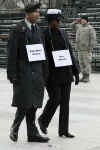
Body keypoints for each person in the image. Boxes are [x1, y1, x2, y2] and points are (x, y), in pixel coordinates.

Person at [7, 3, 49, 143]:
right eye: (35, 12)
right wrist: (12, 74)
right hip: (23, 71)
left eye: (38, 12)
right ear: (28, 14)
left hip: (37, 72)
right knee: (24, 102)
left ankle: (32, 134)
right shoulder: (18, 29)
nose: (38, 14)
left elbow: (43, 52)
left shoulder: (38, 29)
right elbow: (12, 53)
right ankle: (15, 127)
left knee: (34, 103)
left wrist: (45, 71)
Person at [38, 9, 79, 138]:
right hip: (52, 74)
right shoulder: (43, 34)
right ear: (51, 21)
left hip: (66, 73)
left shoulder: (63, 33)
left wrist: (76, 71)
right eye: (57, 20)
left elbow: (70, 52)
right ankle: (43, 120)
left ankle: (63, 130)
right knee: (55, 99)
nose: (59, 22)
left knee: (65, 103)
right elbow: (41, 55)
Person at [71, 15, 96, 82]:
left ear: (86, 20)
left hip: (86, 49)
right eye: (81, 19)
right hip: (79, 49)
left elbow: (93, 39)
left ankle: (87, 77)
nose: (82, 20)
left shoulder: (90, 28)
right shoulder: (79, 27)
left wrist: (90, 49)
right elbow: (72, 26)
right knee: (81, 63)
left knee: (86, 63)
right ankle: (84, 76)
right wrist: (76, 21)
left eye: (83, 19)